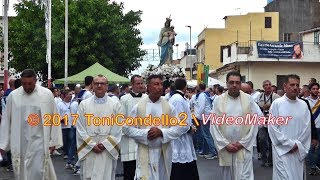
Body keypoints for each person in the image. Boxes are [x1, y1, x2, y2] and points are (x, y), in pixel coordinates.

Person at [123, 74, 189, 180]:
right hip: (145, 152)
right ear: (148, 87)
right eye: (156, 84)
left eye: (161, 84)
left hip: (163, 154)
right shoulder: (139, 107)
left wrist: (162, 132)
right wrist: (145, 133)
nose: (160, 87)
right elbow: (127, 128)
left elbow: (178, 128)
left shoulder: (169, 107)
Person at [0, 69, 63, 180]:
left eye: (30, 83)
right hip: (20, 142)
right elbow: (6, 120)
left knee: (38, 172)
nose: (27, 87)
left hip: (39, 142)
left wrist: (54, 141)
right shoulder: (13, 96)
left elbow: (54, 117)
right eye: (24, 84)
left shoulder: (46, 94)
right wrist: (3, 144)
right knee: (22, 172)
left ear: (35, 80)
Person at [210, 71, 261, 180]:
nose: (234, 85)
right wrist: (225, 144)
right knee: (228, 177)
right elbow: (213, 125)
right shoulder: (218, 101)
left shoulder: (249, 100)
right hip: (226, 148)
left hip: (243, 148)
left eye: (237, 82)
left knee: (244, 177)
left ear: (240, 84)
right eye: (231, 82)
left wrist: (242, 143)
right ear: (227, 84)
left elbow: (255, 122)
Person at [76, 74, 123, 180]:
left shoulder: (115, 105)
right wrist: (92, 145)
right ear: (92, 85)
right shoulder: (84, 104)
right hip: (89, 149)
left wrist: (105, 144)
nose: (99, 86)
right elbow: (80, 128)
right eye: (96, 83)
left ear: (107, 86)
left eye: (102, 83)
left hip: (107, 150)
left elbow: (118, 128)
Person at [268, 74, 311, 180]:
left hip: (297, 151)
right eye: (292, 84)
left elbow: (307, 128)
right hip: (282, 152)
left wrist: (297, 145)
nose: (295, 87)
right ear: (285, 86)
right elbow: (273, 128)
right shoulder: (277, 104)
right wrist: (289, 145)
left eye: (297, 85)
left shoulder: (303, 105)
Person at [169, 78, 199, 180]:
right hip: (180, 139)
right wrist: (190, 128)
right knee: (181, 170)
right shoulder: (177, 99)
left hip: (184, 137)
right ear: (185, 86)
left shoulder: (179, 98)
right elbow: (179, 120)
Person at [120, 75, 148, 180]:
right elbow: (121, 119)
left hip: (144, 139)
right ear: (132, 85)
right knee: (129, 171)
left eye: (142, 83)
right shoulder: (124, 99)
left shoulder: (147, 98)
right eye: (138, 83)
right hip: (129, 140)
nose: (141, 85)